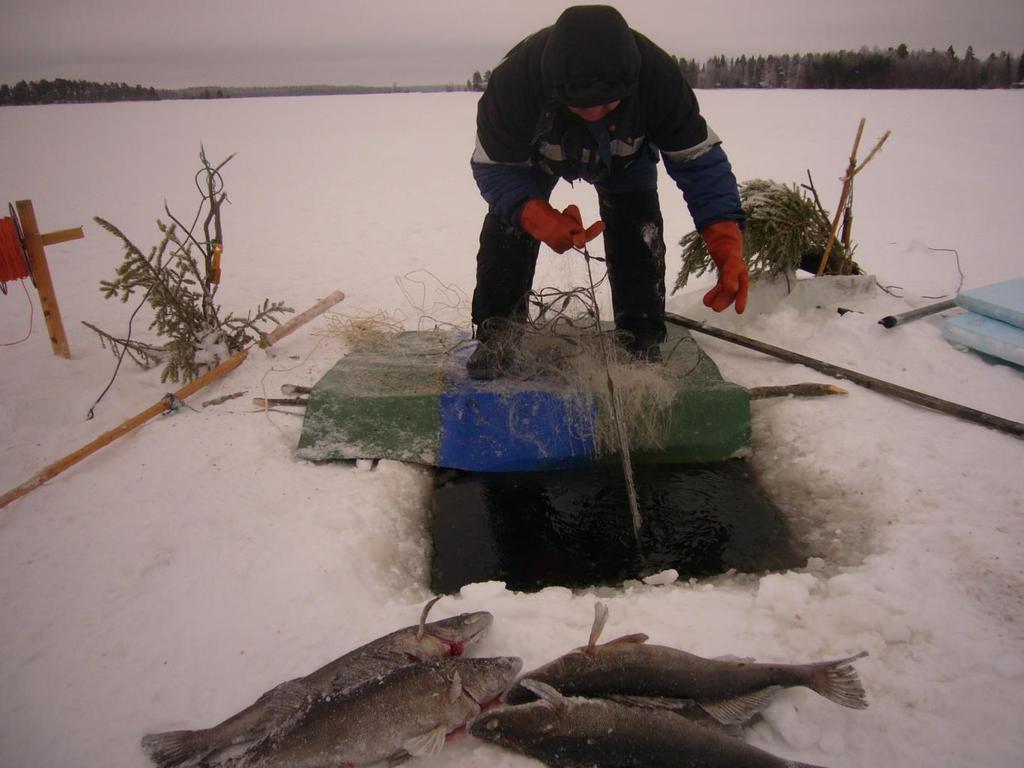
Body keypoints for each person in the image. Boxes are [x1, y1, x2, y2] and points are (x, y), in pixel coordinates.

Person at [467, 4, 749, 380]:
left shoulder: (657, 78)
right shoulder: (515, 83)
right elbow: (494, 167)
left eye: (608, 101)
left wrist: (725, 241)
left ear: (632, 82)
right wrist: (534, 213)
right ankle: (498, 335)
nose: (596, 112)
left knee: (639, 232)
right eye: (580, 103)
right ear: (552, 86)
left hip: (625, 160)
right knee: (509, 227)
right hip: (533, 162)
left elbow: (699, 162)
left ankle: (640, 337)